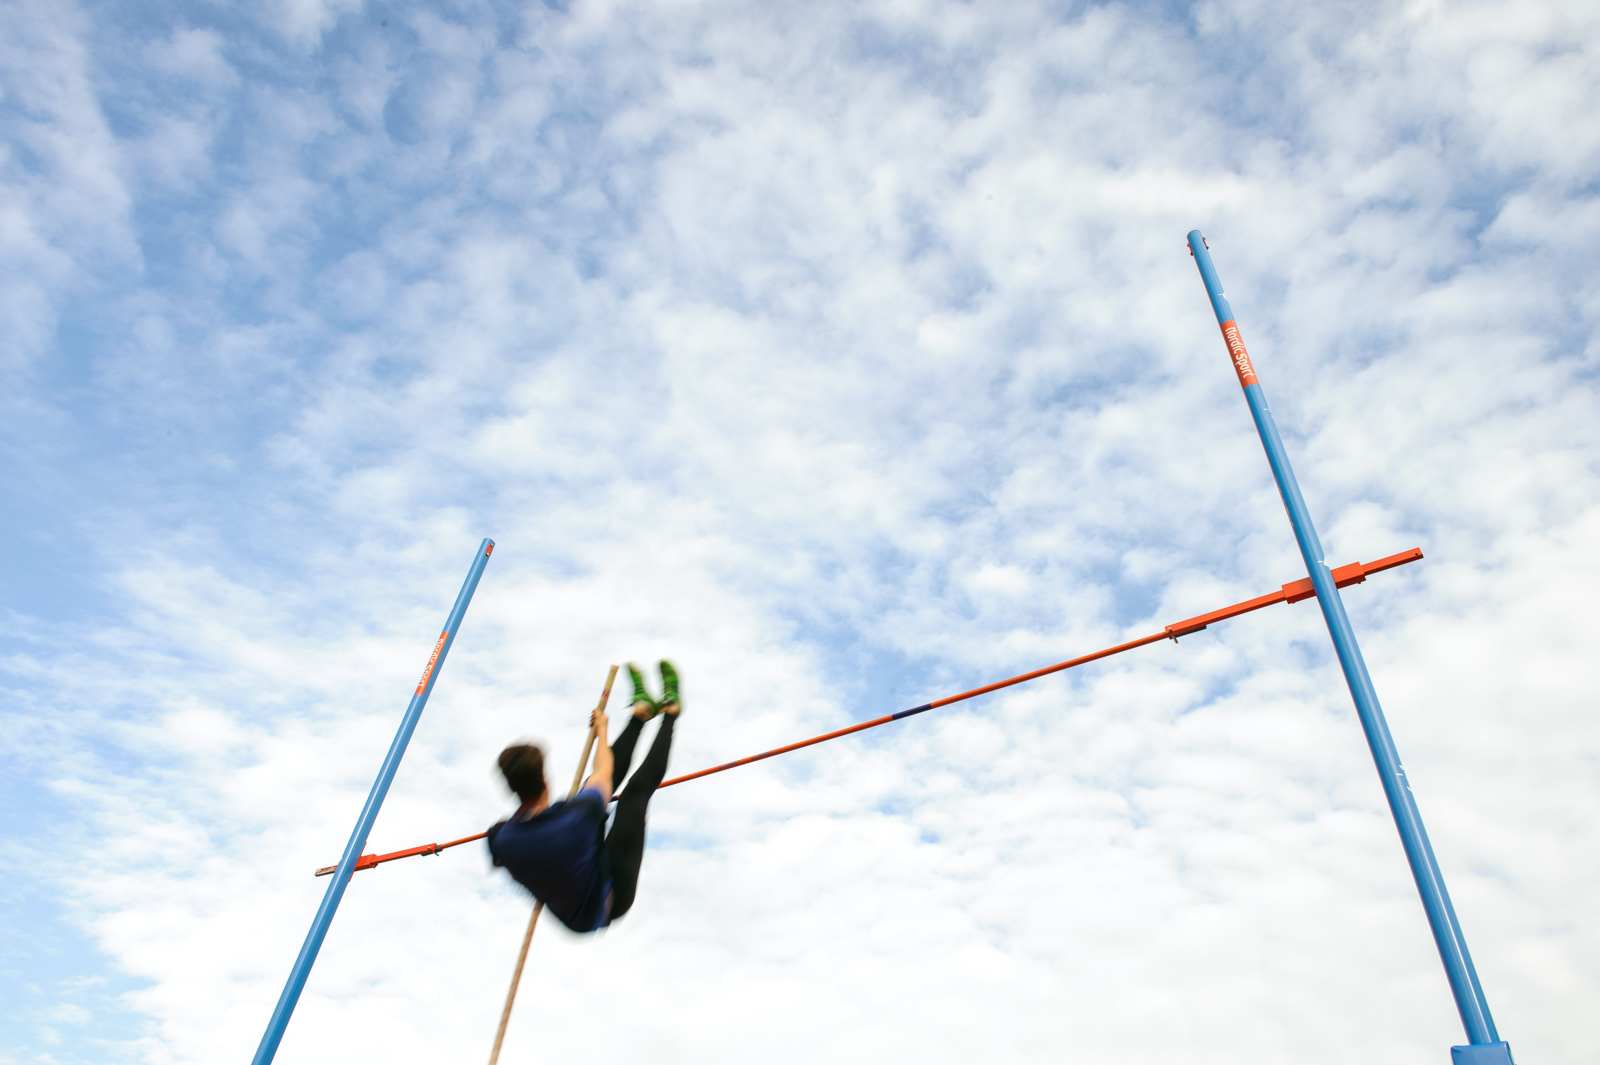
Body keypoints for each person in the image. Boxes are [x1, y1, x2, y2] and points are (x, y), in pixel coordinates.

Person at [486, 661, 681, 932]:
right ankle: (670, 711)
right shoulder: (576, 817)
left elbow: (511, 861)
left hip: (578, 857)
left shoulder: (498, 838)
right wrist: (601, 730)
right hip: (608, 896)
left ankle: (643, 711)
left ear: (510, 786)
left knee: (589, 795)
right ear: (544, 779)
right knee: (632, 798)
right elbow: (604, 770)